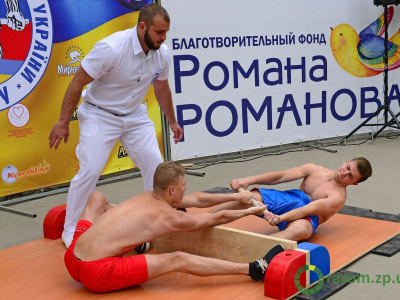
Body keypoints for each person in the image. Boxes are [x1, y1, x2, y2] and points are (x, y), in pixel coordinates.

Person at [48, 4, 183, 248]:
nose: (164, 38)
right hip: (100, 115)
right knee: (90, 170)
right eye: (159, 32)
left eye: (166, 33)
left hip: (135, 116)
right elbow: (77, 82)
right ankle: (70, 231)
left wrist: (172, 121)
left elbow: (161, 88)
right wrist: (62, 122)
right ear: (142, 27)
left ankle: (151, 223)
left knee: (155, 168)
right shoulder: (111, 48)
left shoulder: (163, 53)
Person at [64, 162, 285, 292]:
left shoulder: (150, 196)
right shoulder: (169, 218)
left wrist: (243, 196)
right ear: (171, 189)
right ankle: (255, 269)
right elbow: (214, 220)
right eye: (183, 185)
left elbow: (197, 200)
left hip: (72, 257)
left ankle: (138, 244)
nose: (186, 189)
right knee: (179, 258)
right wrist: (250, 211)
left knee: (97, 197)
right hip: (97, 272)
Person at [212, 157, 372, 241]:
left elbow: (308, 210)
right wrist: (248, 180)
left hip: (308, 217)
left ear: (354, 183)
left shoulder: (338, 197)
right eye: (348, 168)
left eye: (350, 176)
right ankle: (202, 223)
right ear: (346, 162)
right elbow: (281, 176)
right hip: (290, 198)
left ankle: (253, 250)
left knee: (300, 231)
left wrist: (281, 218)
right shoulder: (314, 169)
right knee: (245, 198)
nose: (344, 173)